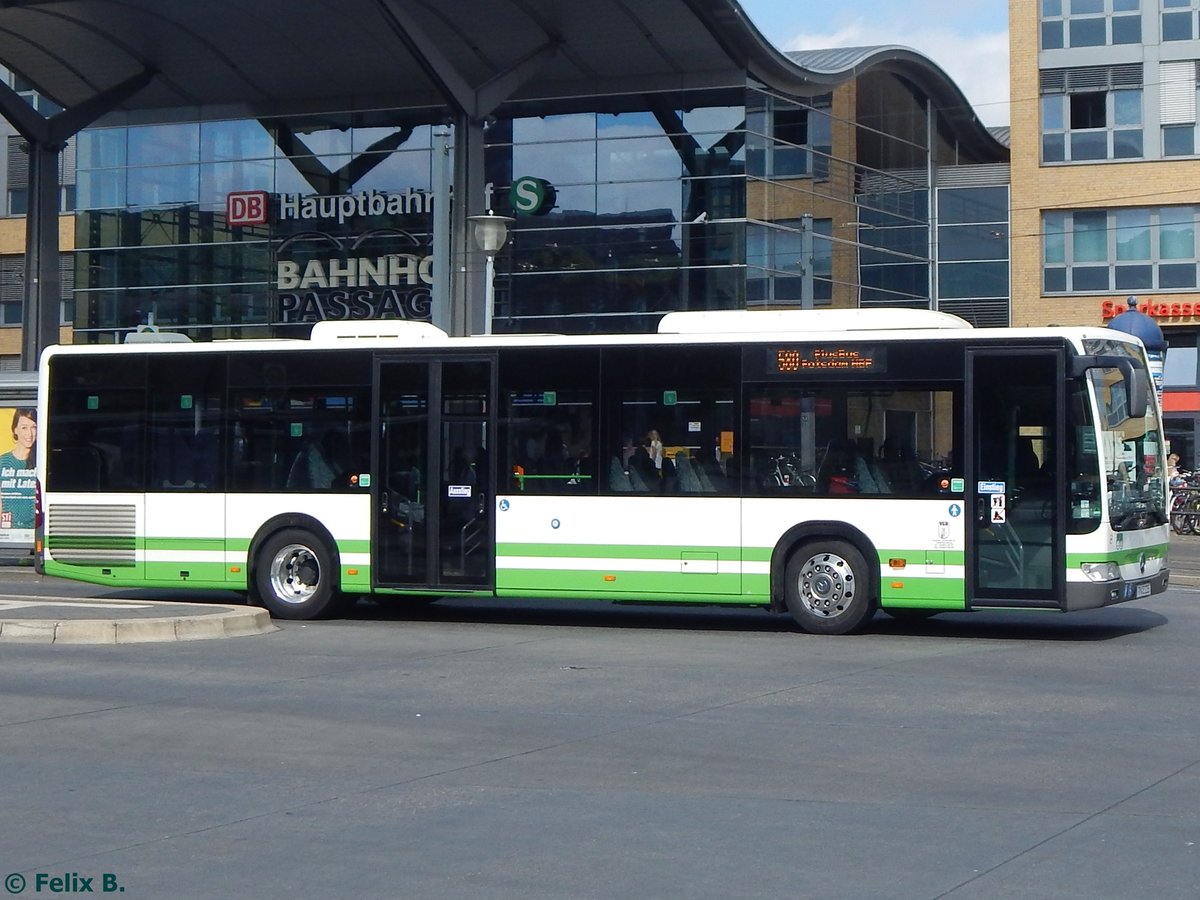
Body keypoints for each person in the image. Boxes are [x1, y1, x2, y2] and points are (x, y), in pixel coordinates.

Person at [0, 407, 37, 531]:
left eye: (34, 427)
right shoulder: (3, 462)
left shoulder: (41, 462)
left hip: (36, 529)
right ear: (15, 429)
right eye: (24, 427)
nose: (29, 434)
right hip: (8, 530)